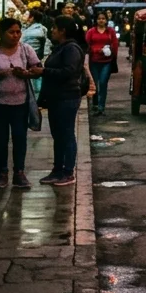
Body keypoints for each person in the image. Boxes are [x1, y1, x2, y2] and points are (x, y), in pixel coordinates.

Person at [0, 17, 43, 189]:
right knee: (1, 140)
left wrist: (26, 73)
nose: (15, 35)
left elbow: (38, 69)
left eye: (18, 32)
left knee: (20, 138)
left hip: (20, 104)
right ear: (0, 33)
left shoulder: (25, 50)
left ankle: (19, 173)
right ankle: (2, 174)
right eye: (11, 32)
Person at [38, 15, 87, 187]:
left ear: (62, 31)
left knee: (66, 134)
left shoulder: (71, 49)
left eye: (54, 28)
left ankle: (67, 172)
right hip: (56, 97)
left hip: (67, 97)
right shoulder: (60, 47)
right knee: (58, 135)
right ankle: (57, 169)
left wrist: (43, 72)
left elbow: (68, 72)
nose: (52, 30)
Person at [85, 11, 119, 115]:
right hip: (94, 61)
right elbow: (87, 45)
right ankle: (95, 105)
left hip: (107, 62)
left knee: (103, 83)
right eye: (99, 18)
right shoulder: (91, 31)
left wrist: (110, 52)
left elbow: (115, 44)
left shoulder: (110, 31)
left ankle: (101, 107)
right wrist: (96, 50)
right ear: (96, 20)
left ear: (106, 20)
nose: (101, 20)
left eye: (103, 18)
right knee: (94, 83)